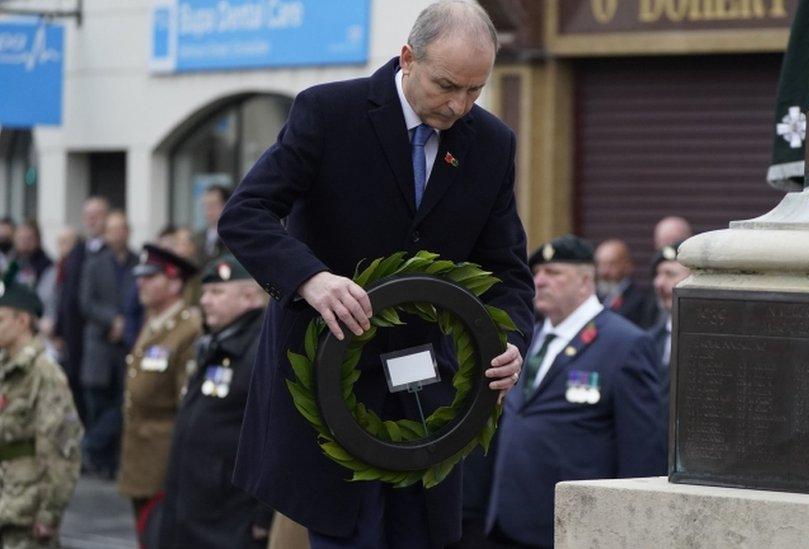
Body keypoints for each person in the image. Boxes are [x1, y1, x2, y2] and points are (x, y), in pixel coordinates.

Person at [217, 2, 535, 547]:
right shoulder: (327, 111)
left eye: (475, 91)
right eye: (446, 86)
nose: (459, 106)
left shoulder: (492, 143)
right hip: (322, 388)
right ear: (408, 58)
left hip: (427, 403)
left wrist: (508, 340)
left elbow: (506, 267)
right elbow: (245, 214)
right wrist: (310, 279)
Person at [485, 235, 667, 548]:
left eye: (554, 273)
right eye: (537, 273)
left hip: (572, 526)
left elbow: (641, 450)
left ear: (585, 281)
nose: (539, 281)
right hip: (508, 522)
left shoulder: (624, 344)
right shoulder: (527, 338)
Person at [156, 255, 272, 548]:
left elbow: (273, 435)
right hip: (197, 506)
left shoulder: (259, 349)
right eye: (205, 292)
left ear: (249, 297)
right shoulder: (220, 341)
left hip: (228, 516)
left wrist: (264, 515)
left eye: (216, 292)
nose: (205, 301)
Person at [117, 244, 201, 540]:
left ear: (175, 281)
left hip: (165, 459)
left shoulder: (187, 329)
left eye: (151, 277)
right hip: (142, 455)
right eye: (141, 276)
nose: (141, 283)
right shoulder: (154, 322)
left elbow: (187, 403)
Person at [0, 265, 84, 548]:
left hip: (25, 509)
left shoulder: (44, 374)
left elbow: (62, 449)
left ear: (22, 320)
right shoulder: (5, 368)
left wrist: (49, 514)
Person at [78, 211, 137, 478]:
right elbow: (86, 302)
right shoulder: (95, 263)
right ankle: (98, 458)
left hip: (127, 343)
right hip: (101, 344)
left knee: (122, 401)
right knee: (99, 404)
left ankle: (93, 449)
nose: (117, 234)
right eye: (112, 230)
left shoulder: (138, 261)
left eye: (121, 229)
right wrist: (112, 321)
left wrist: (126, 323)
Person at [54, 195, 111, 426]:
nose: (91, 220)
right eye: (88, 215)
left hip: (102, 341)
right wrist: (59, 330)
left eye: (96, 215)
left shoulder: (112, 253)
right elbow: (66, 297)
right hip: (74, 339)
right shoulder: (77, 252)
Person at [648, 240, 691, 415]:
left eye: (669, 274)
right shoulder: (648, 339)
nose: (659, 283)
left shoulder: (704, 341)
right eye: (658, 274)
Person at [594, 238, 656, 328]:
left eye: (611, 264)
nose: (604, 272)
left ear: (627, 265)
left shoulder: (641, 301)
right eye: (600, 264)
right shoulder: (594, 298)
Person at [193, 184, 230, 267]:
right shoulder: (197, 238)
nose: (208, 210)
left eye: (213, 204)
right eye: (205, 205)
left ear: (226, 205)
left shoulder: (234, 236)